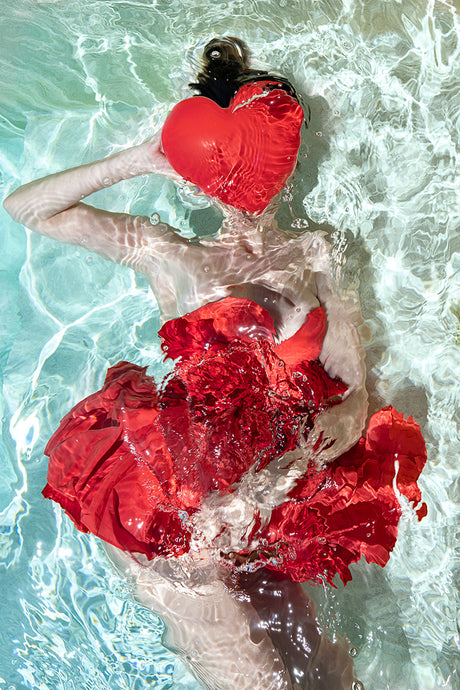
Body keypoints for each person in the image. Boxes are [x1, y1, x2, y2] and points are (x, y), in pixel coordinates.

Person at [3, 37, 426, 689]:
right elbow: (28, 208)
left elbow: (353, 405)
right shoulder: (169, 253)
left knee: (326, 679)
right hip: (177, 504)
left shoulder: (317, 254)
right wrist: (142, 159)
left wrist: (281, 478)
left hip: (273, 482)